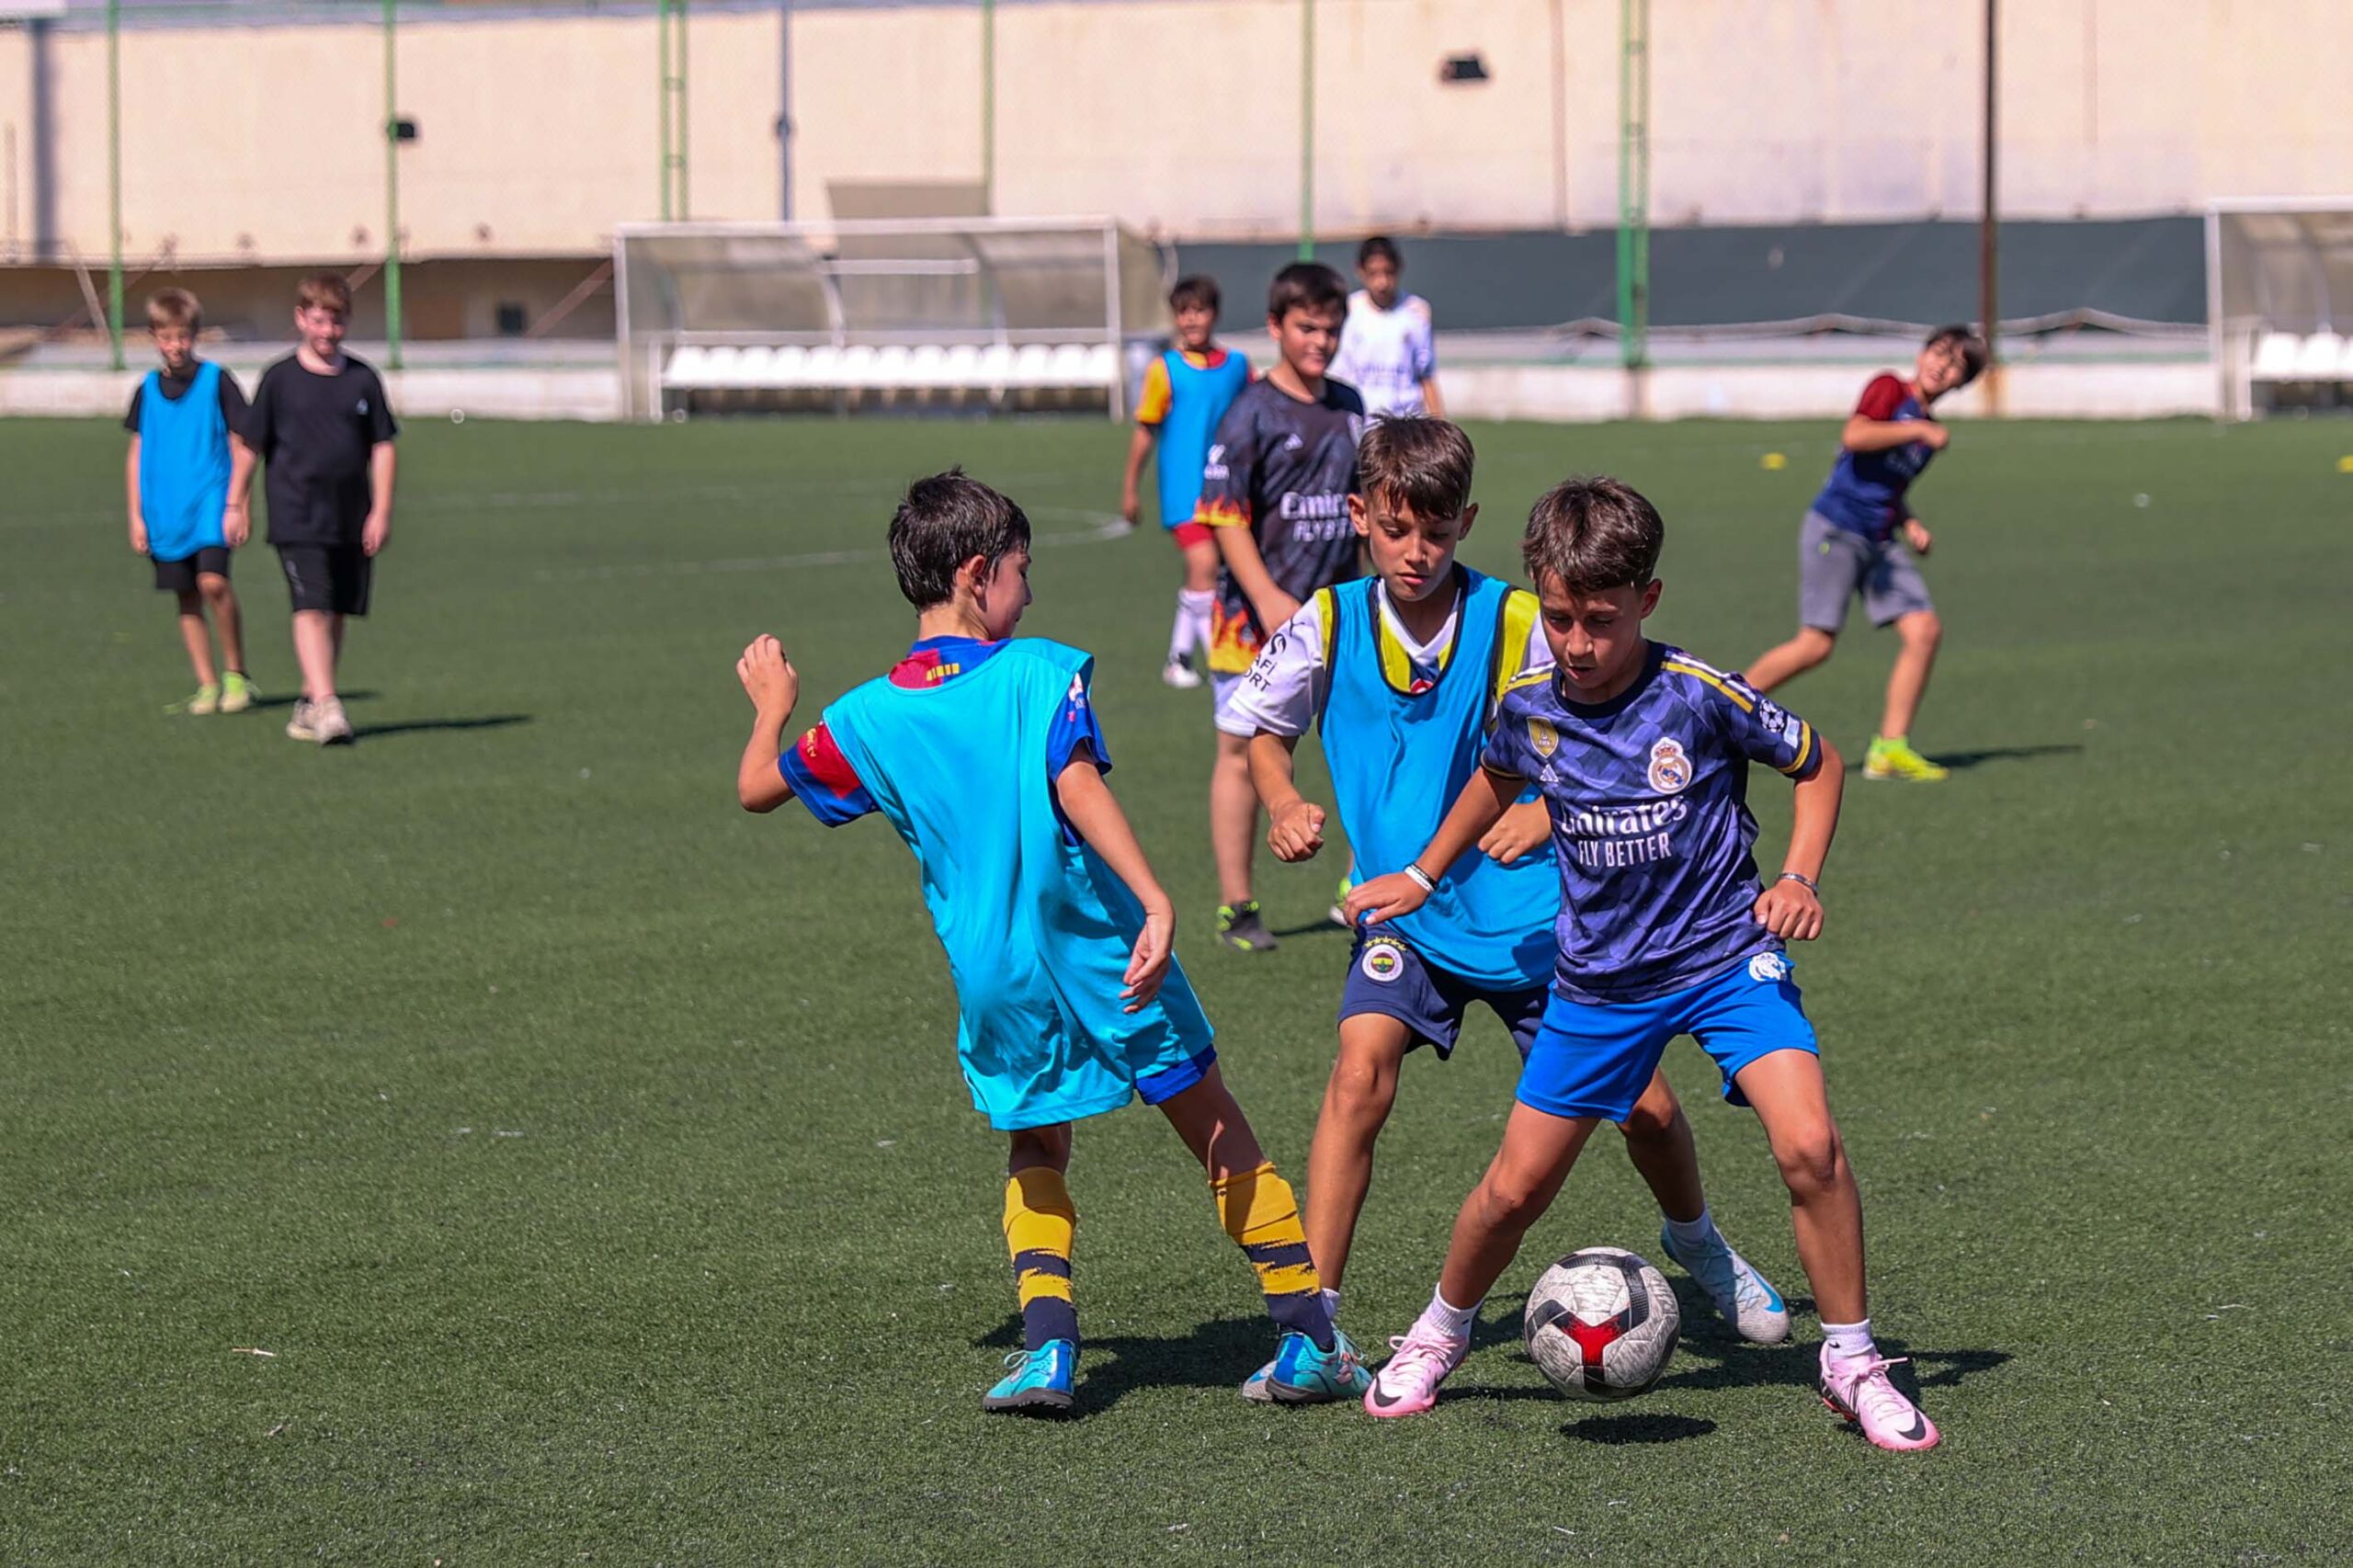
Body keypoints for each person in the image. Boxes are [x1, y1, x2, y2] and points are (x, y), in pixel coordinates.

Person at [732, 471, 1371, 1415]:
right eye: (1022, 571)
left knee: (1037, 1140)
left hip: (993, 974)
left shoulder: (864, 716)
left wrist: (773, 704)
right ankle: (1309, 1337)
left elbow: (757, 787)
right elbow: (1075, 785)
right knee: (1211, 1117)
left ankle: (1047, 1351)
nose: (1029, 592)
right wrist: (1155, 897)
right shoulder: (1037, 674)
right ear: (978, 574)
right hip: (1102, 949)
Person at [1347, 475, 1940, 1452]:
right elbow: (1493, 779)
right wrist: (1420, 871)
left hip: (1723, 955)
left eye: (1600, 621)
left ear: (1647, 601)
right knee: (1512, 1189)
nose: (1576, 643)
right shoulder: (1531, 707)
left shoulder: (1699, 696)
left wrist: (1798, 874)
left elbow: (1819, 762)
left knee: (1809, 1146)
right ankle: (1436, 1331)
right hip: (1599, 983)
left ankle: (1851, 1360)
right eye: (1560, 617)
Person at [1221, 419, 1788, 1397]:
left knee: (1646, 1110)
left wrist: (1536, 806)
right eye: (1396, 528)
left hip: (1537, 919)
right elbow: (1260, 736)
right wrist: (1283, 798)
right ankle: (1314, 1325)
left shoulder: (1529, 616)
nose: (1415, 550)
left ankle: (1698, 1239)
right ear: (1360, 517)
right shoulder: (1324, 620)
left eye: (1436, 530)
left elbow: (1592, 732)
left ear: (1465, 523)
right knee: (1358, 1075)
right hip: (1409, 909)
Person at [1196, 261, 1364, 952]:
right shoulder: (1249, 412)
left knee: (1365, 742)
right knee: (1241, 752)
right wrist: (1266, 596)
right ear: (1276, 327)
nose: (1319, 341)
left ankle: (1363, 884)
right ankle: (1239, 904)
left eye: (1330, 329)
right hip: (1252, 622)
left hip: (1339, 616)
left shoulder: (1352, 406)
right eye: (1306, 328)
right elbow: (1224, 514)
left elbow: (1367, 509)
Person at [1744, 325, 1987, 783]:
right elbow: (1856, 436)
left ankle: (1890, 749)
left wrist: (1908, 521)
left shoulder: (1927, 433)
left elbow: (1888, 486)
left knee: (1924, 631)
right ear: (1922, 354)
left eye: (1955, 364)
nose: (1942, 365)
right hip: (1836, 529)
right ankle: (1723, 707)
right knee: (1815, 645)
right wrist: (1916, 426)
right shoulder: (1890, 389)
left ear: (1962, 381)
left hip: (1879, 540)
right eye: (1938, 353)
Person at [243, 273, 399, 746]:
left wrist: (381, 511)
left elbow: (383, 446)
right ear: (300, 319)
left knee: (336, 612)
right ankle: (329, 706)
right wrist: (236, 502)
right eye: (318, 321)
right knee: (311, 604)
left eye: (336, 321)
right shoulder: (279, 379)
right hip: (296, 513)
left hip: (351, 515)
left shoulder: (363, 379)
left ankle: (311, 701)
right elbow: (250, 444)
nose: (328, 331)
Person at [123, 288, 256, 715]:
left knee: (213, 583)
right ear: (154, 337)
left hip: (211, 502)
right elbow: (137, 451)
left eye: (183, 336)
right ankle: (206, 683)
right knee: (185, 596)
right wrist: (136, 515)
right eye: (167, 337)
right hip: (165, 509)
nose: (176, 345)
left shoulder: (217, 381)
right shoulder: (146, 388)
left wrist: (239, 504)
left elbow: (242, 443)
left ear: (195, 335)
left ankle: (237, 674)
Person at [1120, 276, 1252, 690]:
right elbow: (1146, 430)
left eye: (1200, 310)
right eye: (1183, 312)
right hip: (1183, 489)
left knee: (1216, 571)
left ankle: (1179, 658)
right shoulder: (1165, 370)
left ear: (1214, 314)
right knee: (1204, 564)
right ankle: (1219, 657)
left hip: (1228, 488)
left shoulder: (1238, 366)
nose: (1191, 319)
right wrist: (1130, 487)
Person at [1328, 236, 1441, 421]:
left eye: (1388, 272)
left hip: (1406, 422)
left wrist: (1440, 423)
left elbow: (1426, 376)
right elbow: (1337, 374)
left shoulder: (1417, 312)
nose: (1382, 282)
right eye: (1373, 273)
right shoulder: (1348, 310)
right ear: (1360, 271)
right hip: (1361, 421)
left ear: (1399, 268)